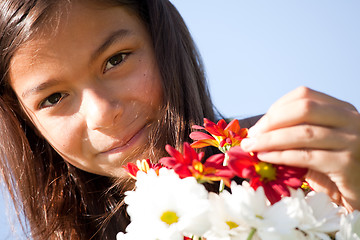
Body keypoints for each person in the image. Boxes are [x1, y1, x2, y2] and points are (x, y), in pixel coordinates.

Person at [0, 0, 359, 239]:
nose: (103, 113)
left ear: (162, 40)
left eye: (116, 59)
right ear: (26, 121)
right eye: (54, 98)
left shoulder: (301, 171)